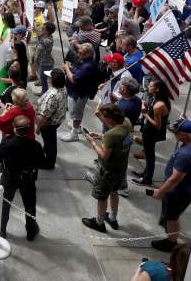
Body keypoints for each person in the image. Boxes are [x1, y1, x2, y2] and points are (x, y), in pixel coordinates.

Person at [150, 119, 191, 252]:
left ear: (184, 136)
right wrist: (184, 121)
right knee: (174, 213)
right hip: (190, 187)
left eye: (176, 132)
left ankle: (171, 242)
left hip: (177, 192)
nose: (175, 134)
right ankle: (168, 221)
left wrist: (161, 192)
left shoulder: (185, 155)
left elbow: (175, 179)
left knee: (172, 217)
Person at [0, 115, 44, 240]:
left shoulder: (7, 144)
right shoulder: (35, 145)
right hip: (27, 179)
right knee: (30, 205)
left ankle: (1, 229)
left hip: (9, 178)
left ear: (15, 129)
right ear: (28, 130)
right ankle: (31, 230)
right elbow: (42, 161)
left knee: (4, 204)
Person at [82, 104, 133, 233]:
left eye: (103, 117)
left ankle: (99, 222)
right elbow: (116, 139)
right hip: (121, 167)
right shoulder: (127, 123)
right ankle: (112, 218)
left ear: (110, 119)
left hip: (107, 170)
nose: (102, 119)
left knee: (102, 196)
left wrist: (92, 143)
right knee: (114, 191)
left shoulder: (112, 134)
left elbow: (104, 155)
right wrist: (100, 136)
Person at [131, 79, 170, 186]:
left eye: (151, 86)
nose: (148, 86)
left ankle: (147, 179)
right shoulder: (155, 99)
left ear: (157, 89)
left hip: (152, 133)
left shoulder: (159, 105)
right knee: (149, 154)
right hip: (148, 130)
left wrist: (145, 113)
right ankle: (145, 173)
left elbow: (158, 125)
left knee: (149, 156)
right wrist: (147, 108)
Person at [61, 43, 99, 142]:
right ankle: (76, 127)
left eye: (81, 53)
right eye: (78, 52)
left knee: (76, 113)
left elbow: (74, 79)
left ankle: (74, 133)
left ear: (88, 54)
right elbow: (75, 70)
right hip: (73, 91)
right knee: (74, 112)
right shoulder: (82, 60)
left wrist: (67, 69)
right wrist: (69, 68)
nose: (78, 54)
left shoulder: (88, 66)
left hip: (78, 94)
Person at [35, 68, 68, 169]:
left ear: (53, 80)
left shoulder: (52, 96)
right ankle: (48, 150)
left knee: (50, 142)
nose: (47, 78)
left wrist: (38, 127)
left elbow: (44, 115)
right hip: (58, 119)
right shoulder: (61, 88)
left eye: (49, 76)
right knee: (50, 141)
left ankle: (49, 163)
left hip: (50, 123)